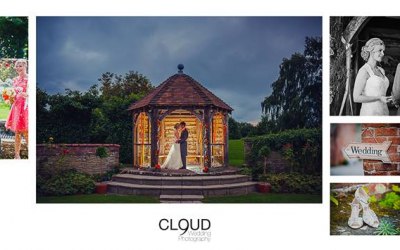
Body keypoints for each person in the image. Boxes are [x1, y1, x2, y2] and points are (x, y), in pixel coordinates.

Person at [353, 37, 392, 116]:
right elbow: (356, 98)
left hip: (384, 112)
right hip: (370, 113)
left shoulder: (381, 70)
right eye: (380, 51)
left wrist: (389, 98)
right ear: (371, 51)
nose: (383, 54)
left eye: (383, 51)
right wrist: (379, 98)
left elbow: (381, 92)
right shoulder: (364, 71)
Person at [5, 59, 28, 159]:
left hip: (26, 107)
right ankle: (17, 156)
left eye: (20, 66)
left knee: (27, 132)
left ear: (25, 66)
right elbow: (12, 97)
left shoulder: (30, 79)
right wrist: (9, 96)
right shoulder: (15, 80)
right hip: (16, 107)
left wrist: (26, 94)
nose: (18, 68)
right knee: (17, 132)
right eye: (17, 66)